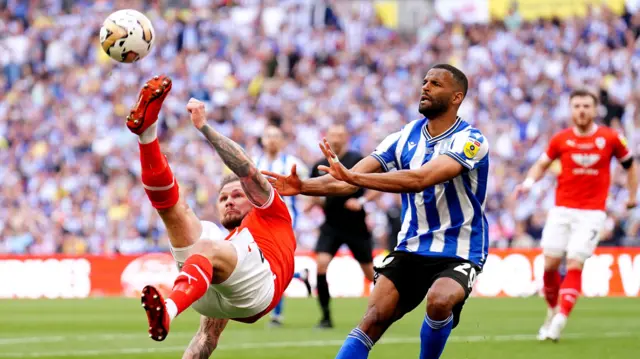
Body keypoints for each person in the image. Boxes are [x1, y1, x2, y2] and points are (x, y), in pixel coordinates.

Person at [264, 64, 489, 359]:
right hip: (411, 246)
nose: (425, 87)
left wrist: (354, 179)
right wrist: (303, 185)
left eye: (435, 83)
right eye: (424, 81)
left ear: (457, 97)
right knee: (372, 319)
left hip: (459, 249)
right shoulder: (404, 136)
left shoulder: (471, 140)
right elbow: (345, 181)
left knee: (439, 300)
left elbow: (419, 178)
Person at [126, 75, 296, 358]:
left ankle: (167, 311)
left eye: (237, 195)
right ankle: (147, 134)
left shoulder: (271, 211)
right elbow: (206, 338)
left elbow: (247, 170)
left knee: (208, 243)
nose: (229, 201)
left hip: (263, 286)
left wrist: (204, 127)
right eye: (223, 198)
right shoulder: (224, 252)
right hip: (222, 297)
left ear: (253, 200)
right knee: (175, 213)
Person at [513, 89, 637, 341]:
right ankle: (552, 311)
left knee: (574, 262)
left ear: (594, 110)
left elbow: (630, 165)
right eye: (577, 106)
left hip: (592, 214)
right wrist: (527, 183)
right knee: (549, 265)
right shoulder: (561, 139)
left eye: (586, 106)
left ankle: (559, 321)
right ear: (571, 110)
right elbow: (542, 164)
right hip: (561, 210)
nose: (581, 110)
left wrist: (632, 196)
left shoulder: (610, 138)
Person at [308, 123, 378, 328]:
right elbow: (313, 191)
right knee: (321, 264)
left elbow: (377, 185)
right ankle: (326, 317)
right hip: (331, 225)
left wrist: (362, 202)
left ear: (346, 137)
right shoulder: (319, 165)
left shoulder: (357, 160)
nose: (336, 138)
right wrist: (312, 202)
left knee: (369, 272)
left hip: (355, 225)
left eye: (340, 134)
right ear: (327, 138)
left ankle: (387, 308)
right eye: (333, 134)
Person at [253, 124, 312, 327]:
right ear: (262, 140)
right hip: (260, 222)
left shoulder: (292, 163)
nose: (272, 140)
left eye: (276, 136)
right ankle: (298, 275)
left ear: (282, 140)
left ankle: (276, 315)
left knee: (273, 266)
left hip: (285, 223)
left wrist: (308, 205)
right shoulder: (255, 163)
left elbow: (309, 185)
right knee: (265, 266)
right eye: (268, 136)